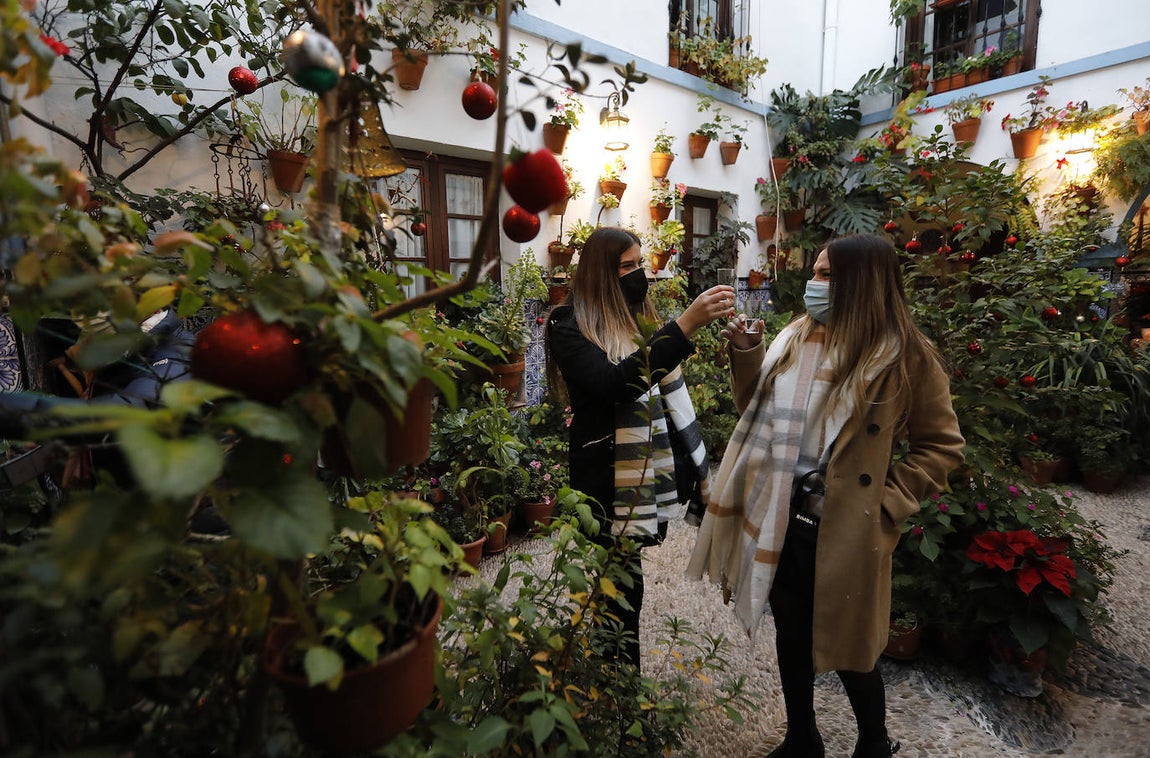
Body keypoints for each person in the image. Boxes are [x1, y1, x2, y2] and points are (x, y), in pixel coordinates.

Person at [687, 234, 965, 757]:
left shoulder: (903, 354)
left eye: (827, 276)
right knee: (790, 634)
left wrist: (886, 503)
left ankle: (874, 743)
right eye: (815, 273)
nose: (815, 285)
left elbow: (942, 447)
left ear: (863, 283)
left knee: (851, 648)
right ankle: (802, 739)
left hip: (845, 526)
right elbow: (754, 410)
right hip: (781, 517)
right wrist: (746, 353)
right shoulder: (796, 336)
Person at [546, 226, 733, 669]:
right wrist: (684, 325)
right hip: (606, 475)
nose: (638, 275)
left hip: (643, 473)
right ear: (599, 273)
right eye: (626, 267)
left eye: (639, 264)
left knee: (627, 576)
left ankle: (618, 672)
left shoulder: (633, 319)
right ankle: (620, 676)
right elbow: (617, 385)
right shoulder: (567, 323)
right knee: (618, 582)